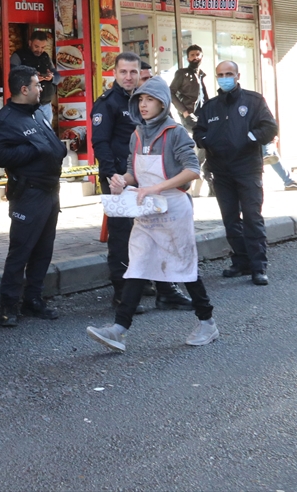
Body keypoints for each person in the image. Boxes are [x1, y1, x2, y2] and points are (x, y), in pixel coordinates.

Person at [87, 77, 219, 352]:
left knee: (184, 266)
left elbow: (192, 170)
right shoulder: (136, 134)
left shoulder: (176, 132)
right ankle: (119, 330)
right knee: (137, 266)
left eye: (149, 99)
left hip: (173, 208)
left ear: (162, 102)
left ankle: (207, 322)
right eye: (140, 100)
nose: (143, 105)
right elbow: (132, 172)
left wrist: (158, 186)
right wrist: (122, 181)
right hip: (146, 209)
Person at [91, 52, 194, 314]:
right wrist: (115, 180)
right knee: (122, 235)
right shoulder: (106, 103)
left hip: (150, 180)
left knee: (157, 231)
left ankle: (165, 289)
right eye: (123, 72)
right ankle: (122, 292)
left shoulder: (146, 99)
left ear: (140, 74)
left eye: (133, 72)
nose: (128, 77)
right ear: (114, 73)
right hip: (121, 179)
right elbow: (101, 143)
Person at [0, 67, 67, 327]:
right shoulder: (5, 119)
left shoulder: (36, 114)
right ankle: (8, 306)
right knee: (21, 250)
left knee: (44, 250)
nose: (40, 88)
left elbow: (51, 147)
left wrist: (47, 149)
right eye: (37, 85)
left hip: (49, 191)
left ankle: (33, 299)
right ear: (24, 89)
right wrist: (34, 151)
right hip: (29, 193)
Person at [194, 61, 278, 285]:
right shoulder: (210, 106)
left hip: (247, 169)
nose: (225, 78)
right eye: (220, 74)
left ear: (238, 75)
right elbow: (198, 131)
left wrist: (250, 138)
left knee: (252, 218)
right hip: (221, 171)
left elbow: (270, 127)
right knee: (230, 220)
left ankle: (258, 267)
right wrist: (206, 140)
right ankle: (241, 262)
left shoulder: (253, 100)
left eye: (229, 74)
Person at [169, 44, 213, 195]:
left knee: (206, 144)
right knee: (203, 142)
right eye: (192, 55)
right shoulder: (182, 74)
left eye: (197, 55)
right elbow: (170, 92)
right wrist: (184, 112)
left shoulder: (202, 74)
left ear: (202, 56)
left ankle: (202, 176)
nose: (195, 57)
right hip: (190, 116)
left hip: (204, 116)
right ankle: (196, 174)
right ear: (187, 58)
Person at [9, 30, 60, 123]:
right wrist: (32, 78)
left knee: (45, 135)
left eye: (43, 47)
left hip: (46, 104)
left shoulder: (45, 56)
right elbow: (13, 77)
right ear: (30, 43)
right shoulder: (18, 56)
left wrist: (51, 77)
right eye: (36, 46)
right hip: (28, 104)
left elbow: (57, 76)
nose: (39, 50)